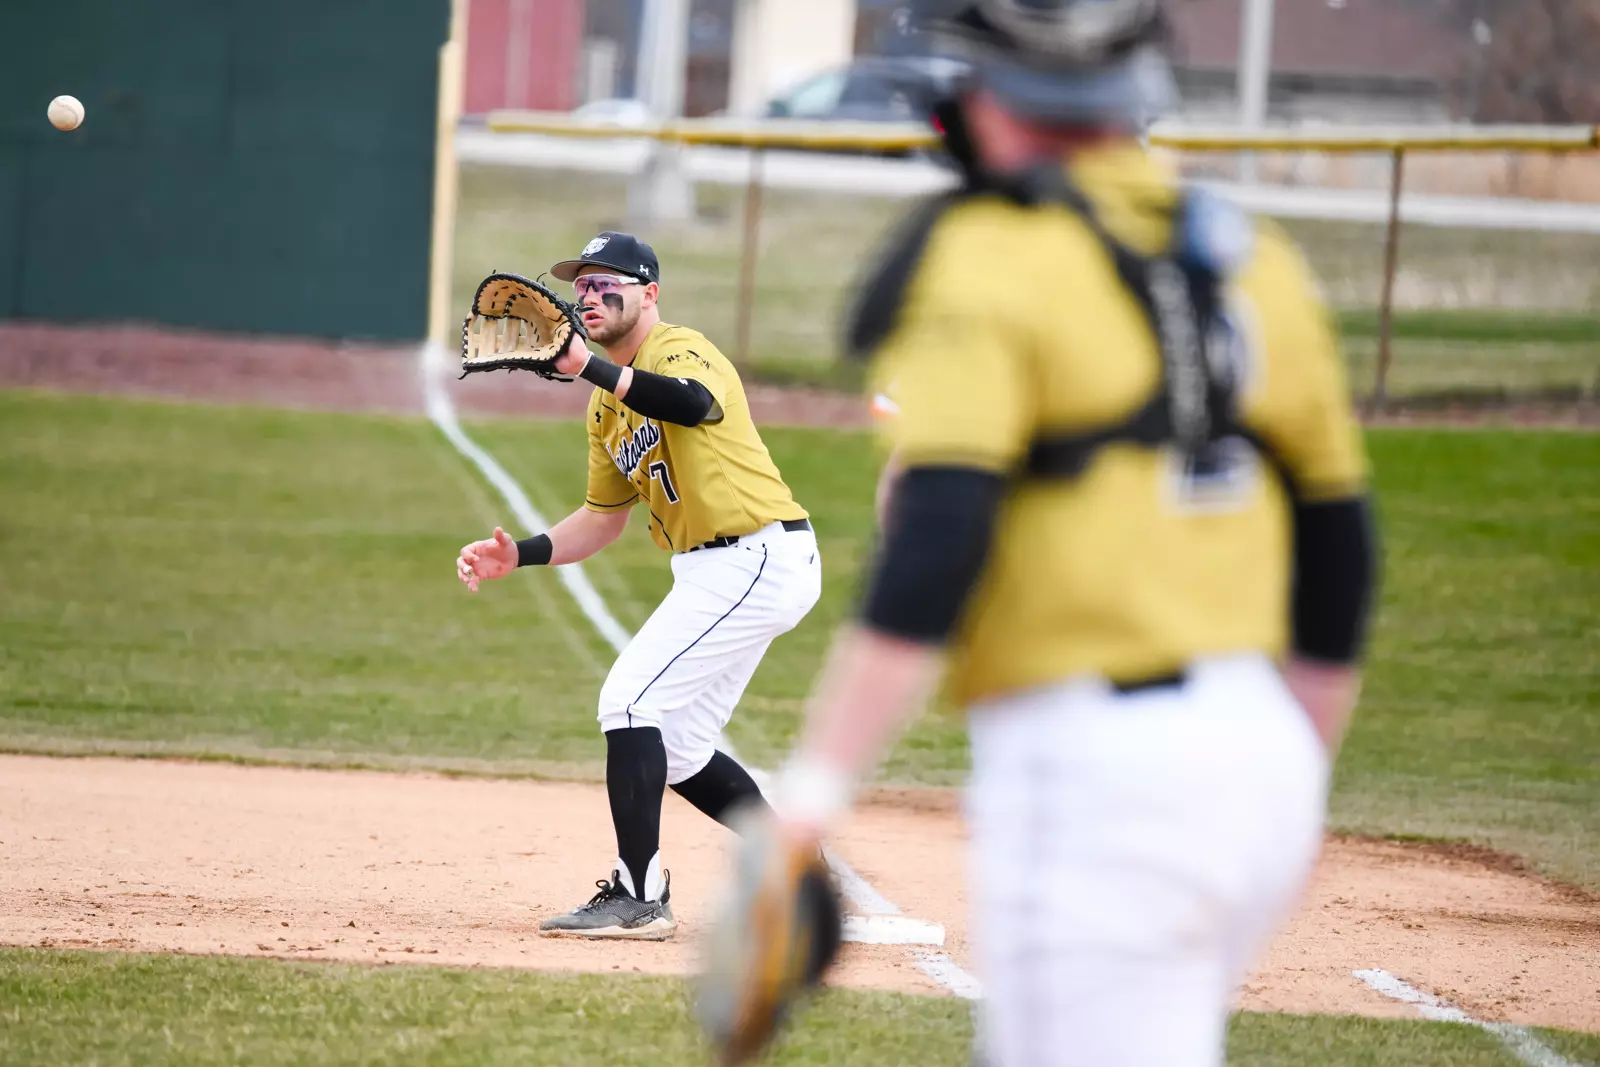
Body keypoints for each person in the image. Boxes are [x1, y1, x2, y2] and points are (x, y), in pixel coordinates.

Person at [714, 1, 1381, 1063]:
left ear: (987, 102)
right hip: (1263, 758)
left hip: (1098, 773)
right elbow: (1341, 544)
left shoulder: (993, 252)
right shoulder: (1250, 256)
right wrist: (1295, 763)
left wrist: (811, 795)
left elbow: (936, 536)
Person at [456, 231, 821, 940]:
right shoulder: (604, 408)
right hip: (721, 567)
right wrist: (519, 554)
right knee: (679, 745)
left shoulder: (679, 349)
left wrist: (589, 367)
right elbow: (601, 519)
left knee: (629, 702)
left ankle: (640, 895)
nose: (589, 296)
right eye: (581, 286)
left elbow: (691, 404)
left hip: (756, 553)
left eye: (607, 283)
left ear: (649, 293)